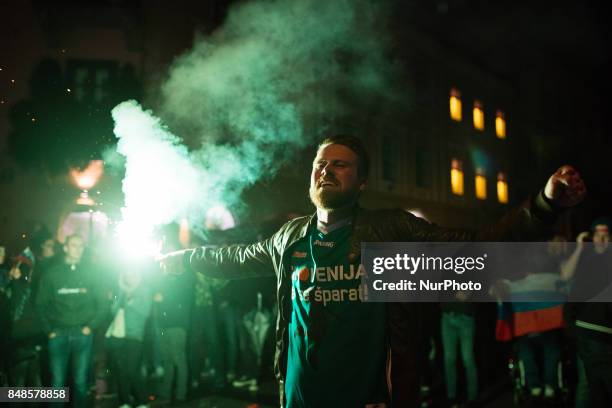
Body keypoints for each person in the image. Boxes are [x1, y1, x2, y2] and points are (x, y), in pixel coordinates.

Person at [161, 135, 586, 407]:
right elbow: (231, 260)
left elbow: (481, 246)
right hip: (300, 399)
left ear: (361, 182)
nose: (326, 169)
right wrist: (180, 261)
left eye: (340, 164)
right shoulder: (288, 238)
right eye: (320, 164)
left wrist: (544, 204)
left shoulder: (390, 231)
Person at [35, 234, 107, 407]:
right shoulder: (52, 274)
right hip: (58, 333)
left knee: (80, 382)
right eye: (74, 245)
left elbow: (103, 304)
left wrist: (90, 327)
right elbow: (40, 305)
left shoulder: (92, 273)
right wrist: (49, 331)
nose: (78, 249)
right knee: (57, 383)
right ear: (65, 248)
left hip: (82, 333)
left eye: (81, 245)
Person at [564, 218, 612, 408]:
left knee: (595, 385)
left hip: (603, 330)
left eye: (605, 233)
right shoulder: (585, 258)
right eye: (597, 234)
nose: (601, 238)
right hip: (589, 330)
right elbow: (565, 275)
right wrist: (578, 248)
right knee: (589, 384)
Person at [106, 270, 152, 408]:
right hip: (120, 334)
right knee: (121, 369)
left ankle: (143, 401)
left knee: (132, 369)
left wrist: (132, 303)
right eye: (127, 273)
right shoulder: (121, 290)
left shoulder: (144, 290)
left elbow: (146, 311)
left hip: (135, 334)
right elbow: (113, 310)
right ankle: (124, 401)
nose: (129, 276)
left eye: (132, 273)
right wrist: (117, 301)